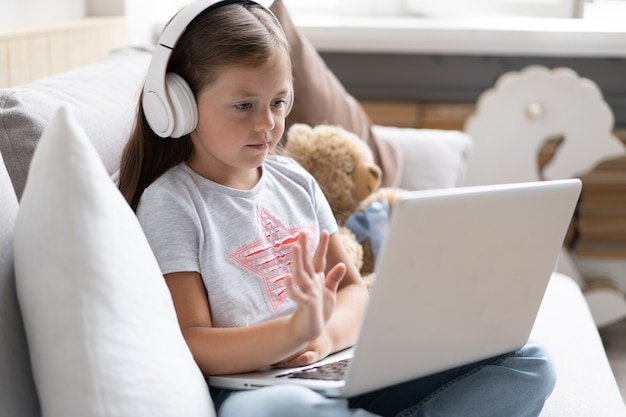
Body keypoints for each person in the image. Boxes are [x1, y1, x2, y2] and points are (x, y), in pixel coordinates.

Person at [118, 1, 556, 416]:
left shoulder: (296, 181)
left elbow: (350, 290)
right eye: (243, 105)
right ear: (178, 105)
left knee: (529, 362)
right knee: (288, 411)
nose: (267, 124)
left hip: (327, 361)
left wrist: (322, 337)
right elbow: (192, 341)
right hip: (253, 387)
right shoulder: (172, 202)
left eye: (278, 102)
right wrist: (291, 333)